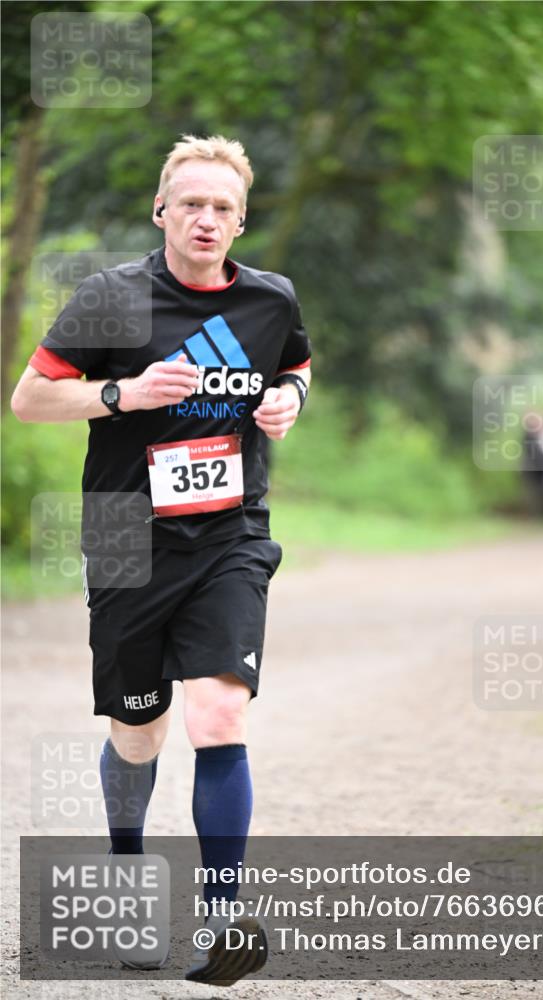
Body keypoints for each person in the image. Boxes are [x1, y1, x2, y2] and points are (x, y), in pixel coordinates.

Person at [11, 134, 312, 984]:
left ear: (240, 220)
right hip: (123, 536)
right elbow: (30, 398)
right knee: (138, 732)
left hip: (229, 534)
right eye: (191, 205)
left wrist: (288, 400)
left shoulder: (268, 301)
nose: (206, 219)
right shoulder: (112, 298)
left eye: (222, 208)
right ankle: (128, 871)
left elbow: (296, 366)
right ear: (162, 212)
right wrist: (120, 394)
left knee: (219, 714)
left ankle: (222, 921)